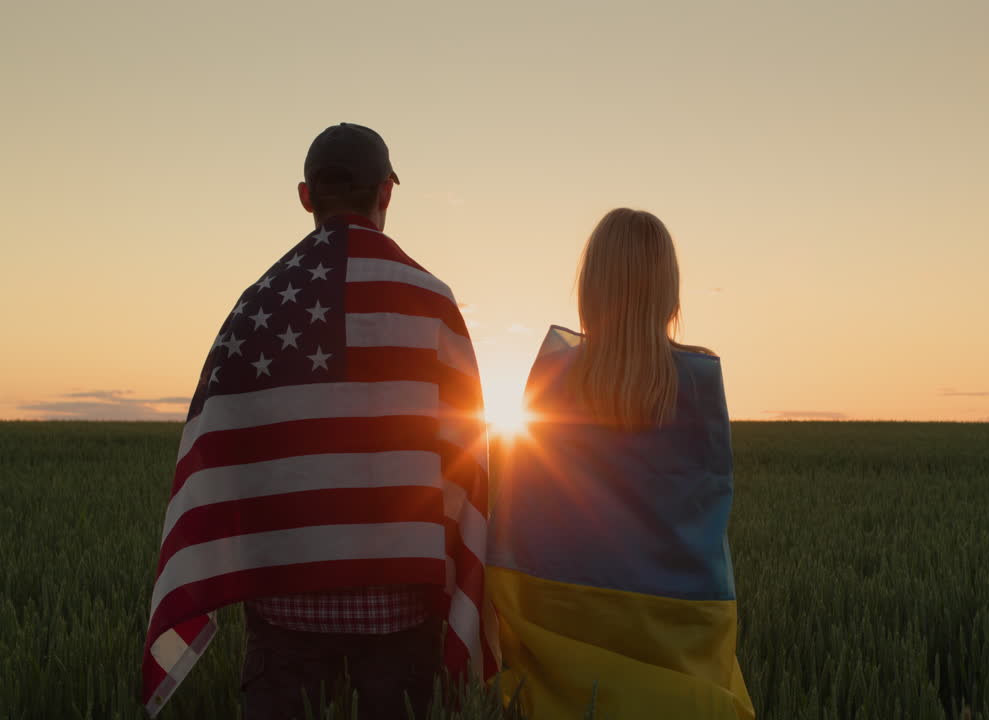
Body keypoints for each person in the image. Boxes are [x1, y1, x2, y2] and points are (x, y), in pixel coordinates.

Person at [140, 123, 498, 719]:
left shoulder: (255, 307)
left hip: (284, 622)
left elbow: (214, 454)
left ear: (306, 197)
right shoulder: (432, 302)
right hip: (401, 618)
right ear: (386, 192)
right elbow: (467, 458)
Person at [487, 208, 755, 719]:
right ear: (669, 294)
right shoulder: (699, 385)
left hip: (561, 635)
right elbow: (704, 522)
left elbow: (519, 520)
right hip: (677, 636)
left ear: (589, 289)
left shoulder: (552, 379)